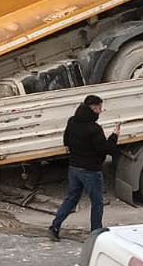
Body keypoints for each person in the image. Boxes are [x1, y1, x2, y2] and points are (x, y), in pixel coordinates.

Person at [48, 94, 120, 240]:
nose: (101, 111)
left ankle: (55, 226)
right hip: (90, 170)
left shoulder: (72, 121)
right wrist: (114, 136)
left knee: (71, 199)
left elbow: (66, 141)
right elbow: (106, 149)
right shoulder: (94, 128)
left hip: (74, 168)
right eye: (99, 108)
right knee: (97, 202)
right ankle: (95, 233)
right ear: (93, 108)